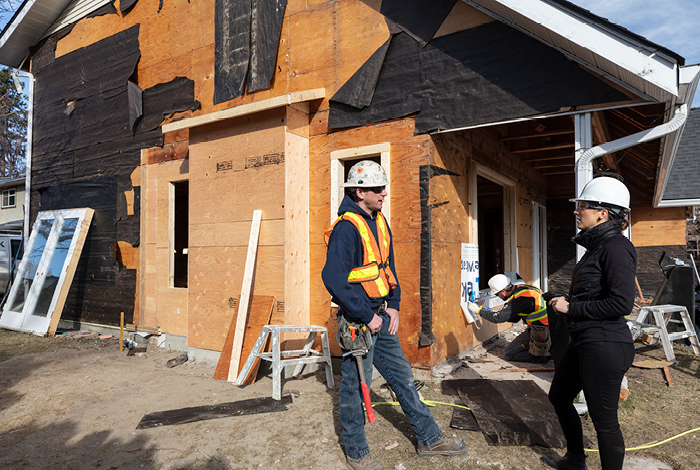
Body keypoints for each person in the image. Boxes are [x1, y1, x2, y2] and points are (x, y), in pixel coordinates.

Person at [322, 160, 466, 470]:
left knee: (402, 378)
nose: (384, 193)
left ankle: (429, 439)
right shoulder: (346, 229)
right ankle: (357, 452)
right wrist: (366, 315)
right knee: (353, 388)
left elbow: (389, 267)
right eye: (378, 189)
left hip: (381, 316)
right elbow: (333, 278)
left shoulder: (378, 221)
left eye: (384, 187)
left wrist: (395, 304)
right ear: (360, 192)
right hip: (360, 322)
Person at [545, 176, 636, 470]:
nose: (576, 211)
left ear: (603, 213)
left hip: (605, 344)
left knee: (604, 422)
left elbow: (621, 303)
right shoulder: (596, 249)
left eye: (582, 205)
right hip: (584, 340)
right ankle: (575, 459)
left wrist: (571, 307)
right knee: (559, 395)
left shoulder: (616, 248)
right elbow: (594, 293)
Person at [468, 274, 551, 363]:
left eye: (497, 294)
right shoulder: (524, 289)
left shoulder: (521, 298)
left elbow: (499, 318)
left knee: (510, 354)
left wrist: (479, 310)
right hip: (542, 326)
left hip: (542, 330)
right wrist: (492, 312)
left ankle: (543, 356)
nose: (498, 296)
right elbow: (513, 318)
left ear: (503, 291)